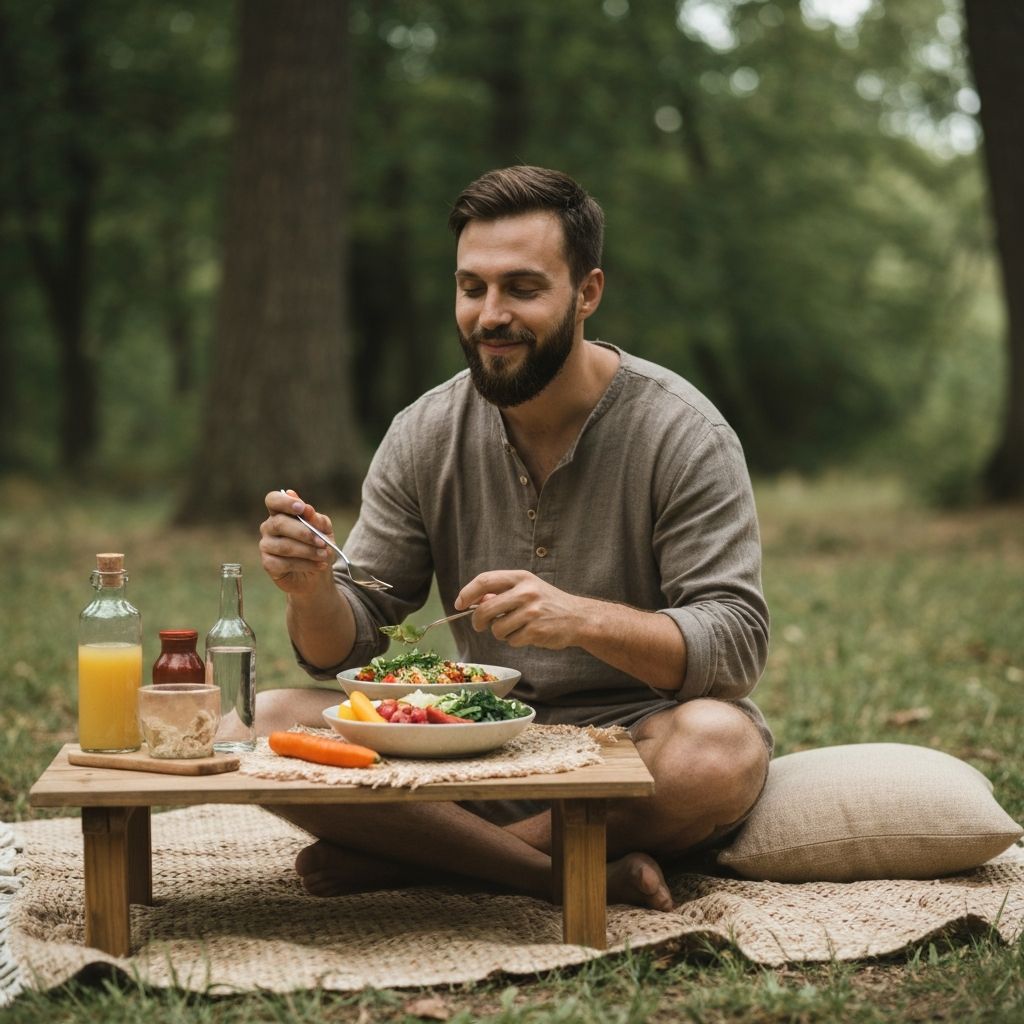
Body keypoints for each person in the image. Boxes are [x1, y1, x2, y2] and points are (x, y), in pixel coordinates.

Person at [257, 165, 772, 912]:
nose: (490, 314)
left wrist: (583, 618)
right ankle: (548, 871)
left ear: (587, 292)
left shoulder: (683, 432)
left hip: (636, 754)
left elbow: (734, 646)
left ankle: (431, 859)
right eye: (473, 288)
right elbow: (358, 646)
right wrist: (310, 593)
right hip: (473, 746)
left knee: (721, 750)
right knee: (270, 720)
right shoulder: (423, 432)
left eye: (522, 289)